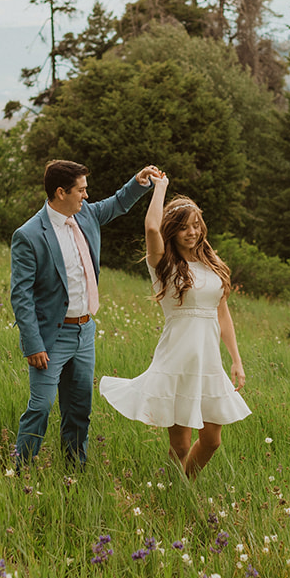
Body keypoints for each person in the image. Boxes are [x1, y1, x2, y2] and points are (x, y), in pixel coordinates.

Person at [10, 159, 164, 463]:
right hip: (49, 339)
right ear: (60, 192)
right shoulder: (29, 235)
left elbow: (118, 203)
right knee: (40, 407)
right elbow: (21, 296)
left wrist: (139, 181)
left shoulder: (87, 216)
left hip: (84, 332)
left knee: (79, 409)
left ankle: (74, 471)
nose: (86, 195)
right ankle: (20, 471)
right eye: (81, 190)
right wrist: (33, 344)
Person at [99, 175, 249, 478]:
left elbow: (222, 312)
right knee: (180, 446)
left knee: (212, 440)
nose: (191, 232)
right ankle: (176, 492)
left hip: (209, 362)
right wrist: (160, 188)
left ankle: (184, 484)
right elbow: (152, 227)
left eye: (195, 225)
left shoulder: (212, 264)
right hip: (178, 360)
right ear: (172, 231)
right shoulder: (163, 265)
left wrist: (236, 359)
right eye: (182, 227)